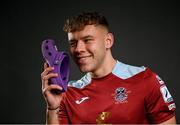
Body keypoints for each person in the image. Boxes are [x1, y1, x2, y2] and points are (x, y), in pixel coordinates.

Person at [41, 11, 176, 124]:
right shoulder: (68, 94)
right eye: (73, 43)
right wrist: (53, 109)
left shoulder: (145, 79)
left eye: (87, 40)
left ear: (108, 41)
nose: (78, 49)